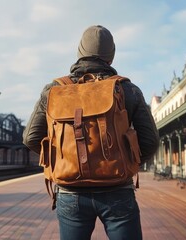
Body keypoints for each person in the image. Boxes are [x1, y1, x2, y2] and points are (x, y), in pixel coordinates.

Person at [23, 25, 159, 240]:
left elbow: (31, 137)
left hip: (70, 192)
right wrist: (126, 161)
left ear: (79, 53)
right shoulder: (127, 89)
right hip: (118, 190)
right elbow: (150, 141)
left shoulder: (54, 90)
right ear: (111, 57)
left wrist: (62, 159)